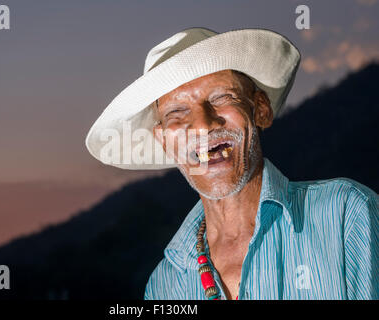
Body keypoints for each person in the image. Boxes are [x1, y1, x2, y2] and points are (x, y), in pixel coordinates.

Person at [85, 28, 378, 299]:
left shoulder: (346, 213)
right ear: (164, 141)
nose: (202, 124)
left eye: (222, 97)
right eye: (176, 112)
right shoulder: (165, 284)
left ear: (260, 109)